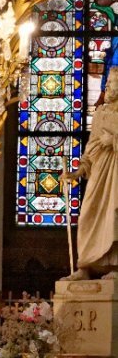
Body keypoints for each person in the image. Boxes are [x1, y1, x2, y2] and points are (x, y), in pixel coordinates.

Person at [74, 68, 118, 276]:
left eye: (111, 82)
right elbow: (91, 146)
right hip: (100, 170)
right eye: (107, 82)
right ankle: (85, 264)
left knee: (114, 215)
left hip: (116, 171)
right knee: (87, 215)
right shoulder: (101, 113)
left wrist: (114, 141)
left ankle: (114, 266)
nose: (107, 86)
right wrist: (80, 169)